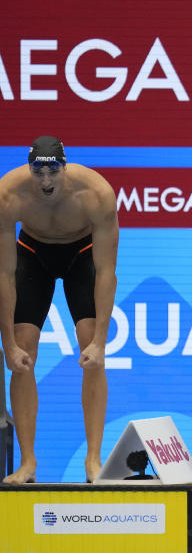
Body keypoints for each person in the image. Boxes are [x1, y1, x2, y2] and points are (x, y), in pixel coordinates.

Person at [0, 136, 118, 484]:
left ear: (65, 168)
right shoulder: (8, 195)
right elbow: (5, 275)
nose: (46, 180)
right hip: (32, 253)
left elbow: (107, 273)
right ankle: (28, 463)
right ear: (29, 169)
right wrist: (8, 344)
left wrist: (100, 341)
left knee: (90, 348)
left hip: (82, 253)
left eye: (53, 170)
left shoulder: (97, 194)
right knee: (23, 352)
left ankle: (94, 460)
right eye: (39, 172)